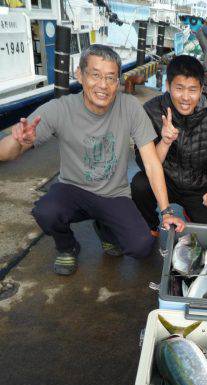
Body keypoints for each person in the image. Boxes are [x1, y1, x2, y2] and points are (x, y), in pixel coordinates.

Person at [0, 45, 184, 276]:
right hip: (72, 189)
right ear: (80, 75)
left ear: (118, 81)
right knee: (46, 211)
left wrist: (166, 211)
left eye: (110, 78)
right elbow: (6, 153)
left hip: (113, 194)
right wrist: (18, 140)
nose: (103, 85)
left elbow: (151, 162)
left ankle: (104, 226)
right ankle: (68, 247)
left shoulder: (130, 108)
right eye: (95, 75)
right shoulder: (60, 109)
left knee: (142, 246)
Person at [131, 55, 207, 228]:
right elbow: (146, 164)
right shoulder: (151, 111)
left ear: (202, 88)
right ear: (168, 85)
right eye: (179, 88)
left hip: (199, 186)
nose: (186, 97)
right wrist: (165, 142)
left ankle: (192, 212)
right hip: (163, 179)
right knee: (139, 185)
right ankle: (150, 226)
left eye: (192, 89)